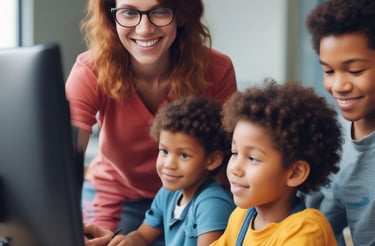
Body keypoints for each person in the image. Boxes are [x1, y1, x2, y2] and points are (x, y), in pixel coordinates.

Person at [65, 0, 237, 240]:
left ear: (181, 14)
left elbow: (227, 167)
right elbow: (63, 164)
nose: (144, 29)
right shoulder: (90, 70)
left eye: (160, 11)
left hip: (190, 196)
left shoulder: (217, 69)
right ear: (111, 15)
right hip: (114, 197)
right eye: (128, 12)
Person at [87, 95, 235, 245]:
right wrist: (127, 242)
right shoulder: (168, 193)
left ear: (212, 160)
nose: (169, 164)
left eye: (184, 155)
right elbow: (143, 236)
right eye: (164, 151)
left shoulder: (212, 204)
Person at [210, 80, 343, 246]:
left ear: (295, 173)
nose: (235, 168)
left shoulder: (306, 230)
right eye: (235, 153)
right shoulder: (241, 217)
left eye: (252, 158)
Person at [304, 0, 375, 245]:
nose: (339, 86)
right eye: (329, 71)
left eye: (355, 71)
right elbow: (320, 227)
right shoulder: (332, 138)